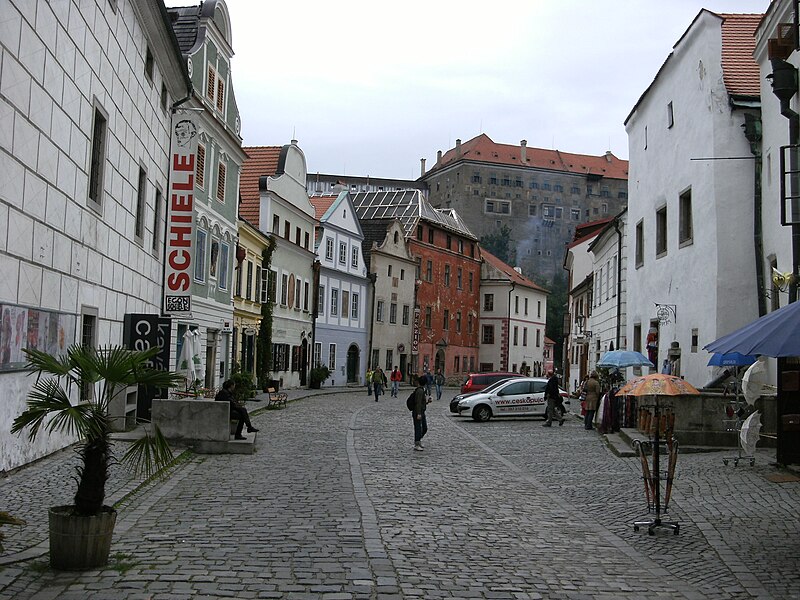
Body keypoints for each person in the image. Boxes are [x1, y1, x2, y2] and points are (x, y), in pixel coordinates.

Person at [411, 375, 430, 451]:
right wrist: (418, 413)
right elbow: (418, 403)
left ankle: (418, 440)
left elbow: (422, 403)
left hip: (421, 411)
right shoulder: (420, 391)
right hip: (417, 412)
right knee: (418, 428)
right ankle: (417, 443)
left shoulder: (422, 390)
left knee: (424, 428)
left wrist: (427, 402)